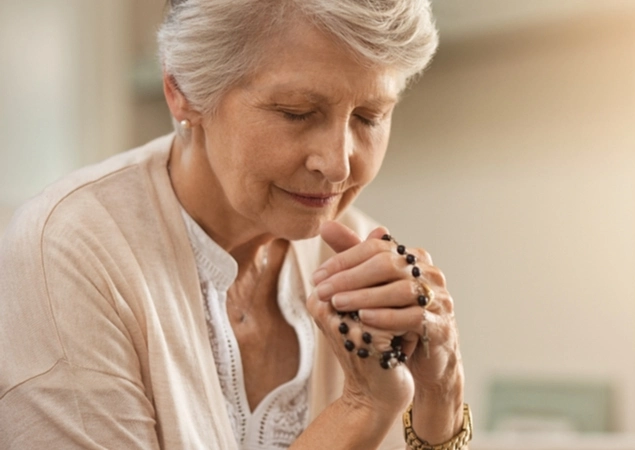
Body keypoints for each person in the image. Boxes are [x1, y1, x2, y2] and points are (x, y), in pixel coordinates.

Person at [0, 0, 471, 448]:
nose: (337, 165)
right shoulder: (69, 251)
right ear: (182, 90)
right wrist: (361, 408)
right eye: (297, 112)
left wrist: (441, 393)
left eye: (370, 117)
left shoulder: (362, 258)